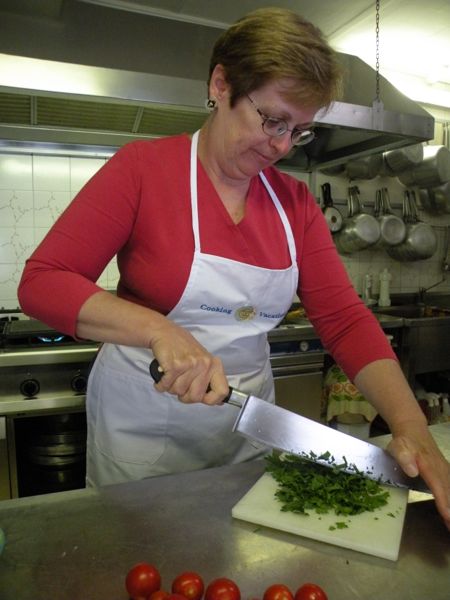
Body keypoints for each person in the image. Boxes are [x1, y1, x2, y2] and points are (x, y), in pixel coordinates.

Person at [18, 8, 449, 530]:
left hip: (246, 426)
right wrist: (158, 329)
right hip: (144, 427)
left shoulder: (295, 204)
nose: (282, 146)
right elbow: (43, 281)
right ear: (221, 85)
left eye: (300, 131)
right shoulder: (142, 171)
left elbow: (344, 319)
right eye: (273, 121)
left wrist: (410, 425)